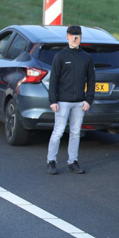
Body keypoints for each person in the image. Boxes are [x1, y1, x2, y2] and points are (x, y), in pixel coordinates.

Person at [46, 25, 95, 175]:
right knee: (58, 131)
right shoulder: (60, 56)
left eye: (77, 36)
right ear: (67, 36)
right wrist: (53, 100)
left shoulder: (86, 57)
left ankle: (72, 161)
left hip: (79, 102)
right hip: (62, 101)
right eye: (72, 36)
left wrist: (88, 100)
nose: (75, 38)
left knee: (75, 132)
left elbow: (91, 80)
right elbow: (53, 79)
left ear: (81, 37)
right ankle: (51, 161)